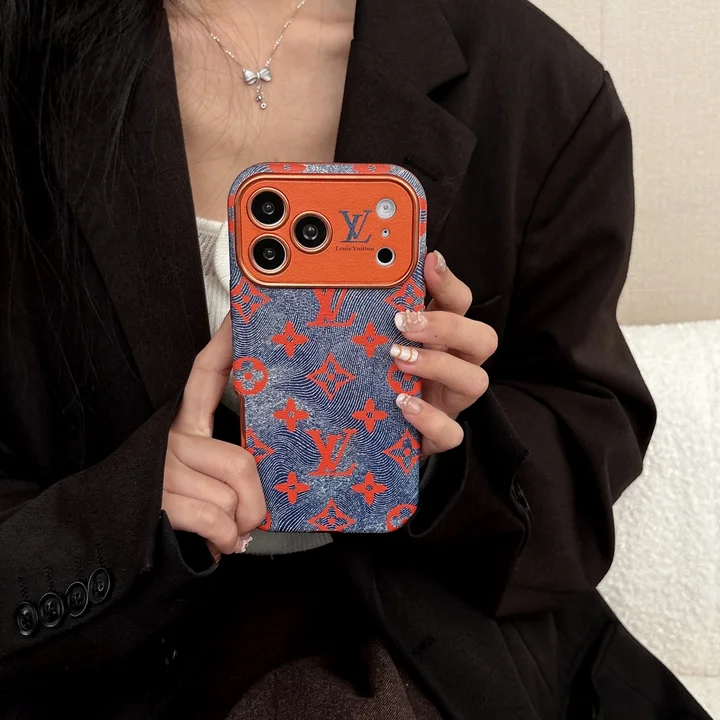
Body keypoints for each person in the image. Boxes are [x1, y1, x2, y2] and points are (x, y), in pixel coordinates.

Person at [0, 0, 710, 718]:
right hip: (112, 653)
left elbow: (586, 442)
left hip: (432, 641)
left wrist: (450, 454)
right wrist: (121, 515)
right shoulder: (21, 67)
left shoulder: (531, 81)